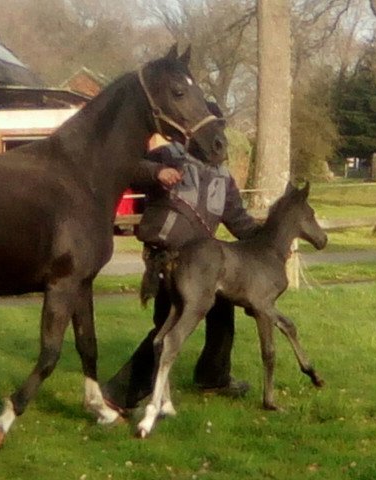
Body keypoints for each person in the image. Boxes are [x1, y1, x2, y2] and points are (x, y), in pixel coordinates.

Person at [101, 102, 260, 412]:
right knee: (167, 326)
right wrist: (157, 172)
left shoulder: (224, 178)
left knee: (222, 312)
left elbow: (239, 220)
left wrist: (270, 241)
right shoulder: (166, 156)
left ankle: (213, 377)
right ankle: (117, 395)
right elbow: (125, 167)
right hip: (167, 259)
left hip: (203, 265)